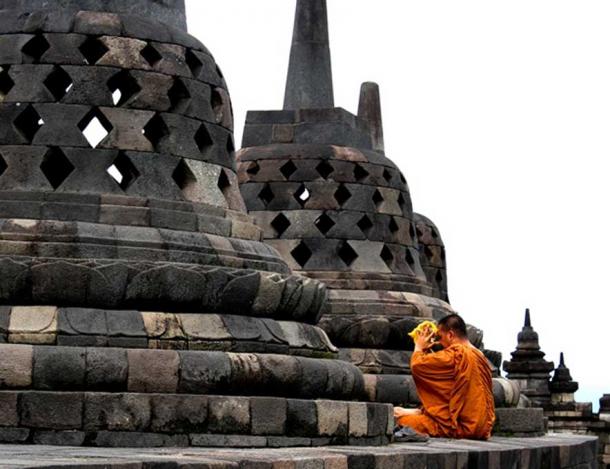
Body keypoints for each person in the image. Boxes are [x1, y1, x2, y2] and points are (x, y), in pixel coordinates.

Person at [393, 314, 495, 441]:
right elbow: (452, 394)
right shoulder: (480, 356)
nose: (439, 343)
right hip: (484, 428)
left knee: (402, 420)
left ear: (451, 335)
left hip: (462, 427)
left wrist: (419, 347)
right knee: (406, 413)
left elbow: (418, 365)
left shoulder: (458, 353)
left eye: (440, 338)